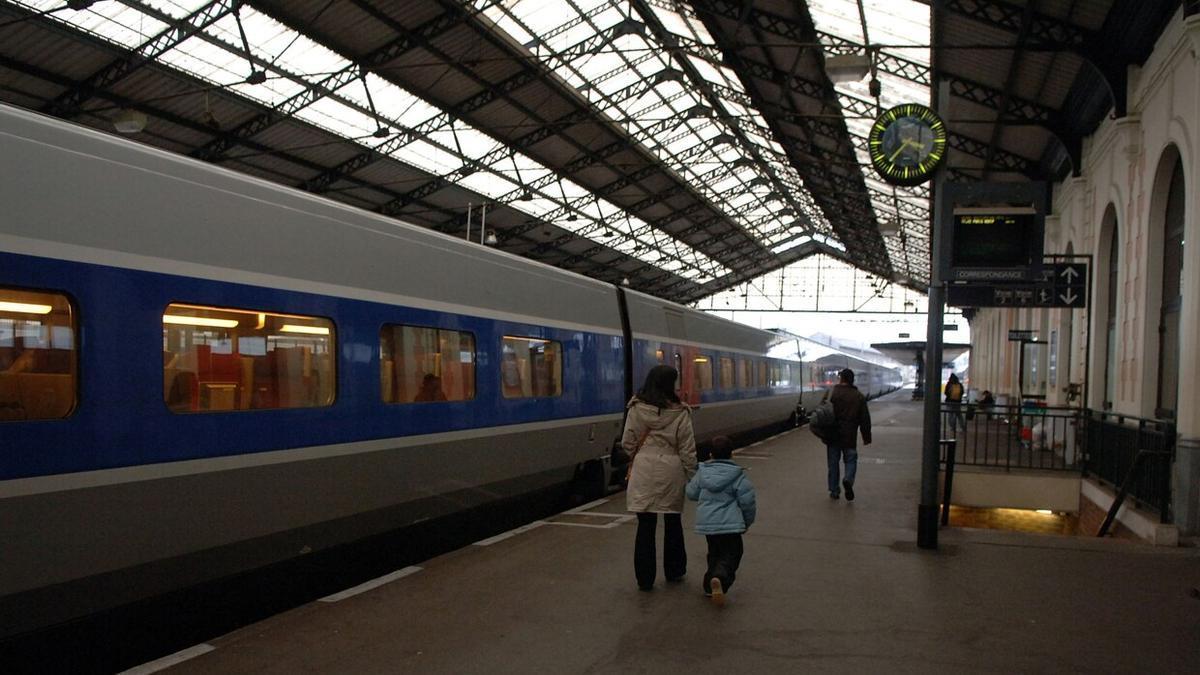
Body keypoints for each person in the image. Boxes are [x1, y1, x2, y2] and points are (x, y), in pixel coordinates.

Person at [622, 365, 697, 591]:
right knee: (672, 521)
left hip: (644, 469)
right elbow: (687, 449)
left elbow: (627, 442)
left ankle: (644, 579)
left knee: (645, 524)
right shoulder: (681, 412)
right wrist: (693, 475)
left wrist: (640, 453)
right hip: (671, 470)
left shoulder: (636, 408)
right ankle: (674, 571)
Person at [686, 435, 756, 607]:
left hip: (708, 524)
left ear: (710, 455)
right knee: (733, 553)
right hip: (731, 525)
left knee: (714, 553)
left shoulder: (702, 473)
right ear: (731, 455)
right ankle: (720, 578)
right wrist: (747, 523)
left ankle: (709, 586)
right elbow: (748, 503)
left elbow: (691, 493)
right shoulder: (738, 476)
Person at [825, 368, 872, 501]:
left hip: (833, 435)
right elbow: (865, 419)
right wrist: (866, 437)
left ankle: (834, 490)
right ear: (852, 380)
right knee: (850, 460)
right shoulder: (858, 396)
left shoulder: (833, 393)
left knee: (833, 463)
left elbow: (824, 412)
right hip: (850, 436)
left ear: (841, 379)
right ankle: (848, 480)